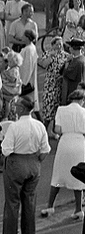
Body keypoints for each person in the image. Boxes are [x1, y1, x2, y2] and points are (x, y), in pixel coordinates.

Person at [0, 96, 50, 234]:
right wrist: (36, 160)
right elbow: (45, 149)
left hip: (16, 164)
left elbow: (6, 150)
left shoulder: (14, 127)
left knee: (12, 202)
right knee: (29, 201)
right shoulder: (39, 125)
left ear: (21, 109)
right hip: (34, 163)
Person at [40, 89, 85, 218]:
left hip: (65, 142)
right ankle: (78, 209)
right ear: (82, 100)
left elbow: (58, 129)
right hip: (80, 143)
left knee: (58, 175)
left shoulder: (61, 110)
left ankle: (50, 206)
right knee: (78, 175)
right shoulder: (84, 112)